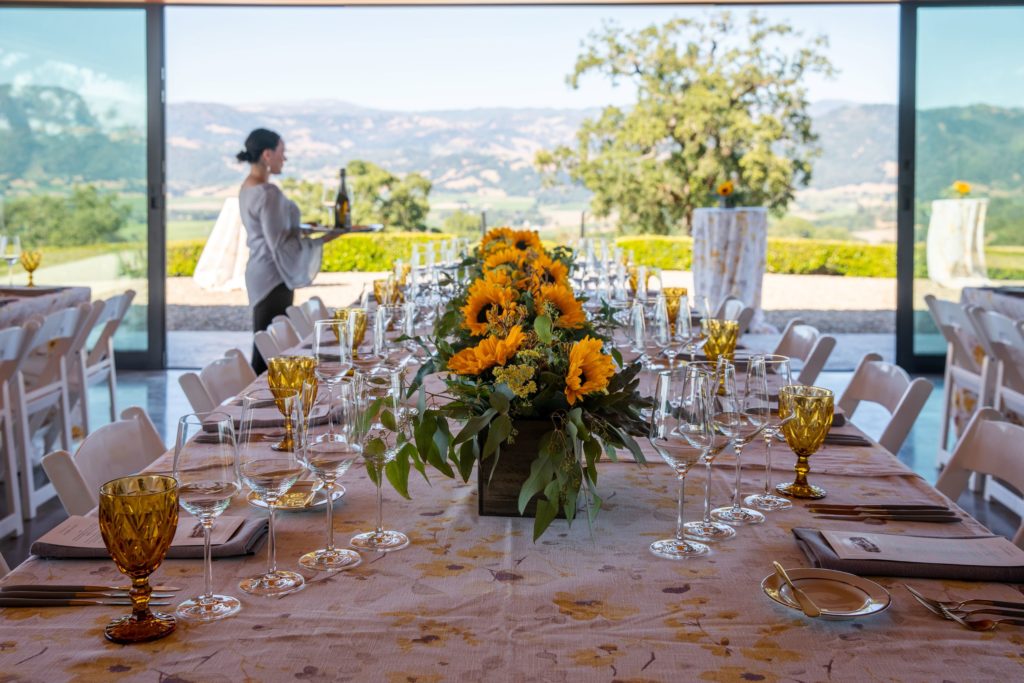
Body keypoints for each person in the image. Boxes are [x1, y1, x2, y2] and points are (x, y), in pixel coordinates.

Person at [236, 128, 341, 374]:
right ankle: (259, 405)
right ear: (267, 154)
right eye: (282, 153)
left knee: (264, 340)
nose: (285, 159)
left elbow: (273, 232)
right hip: (273, 275)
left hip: (259, 270)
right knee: (268, 352)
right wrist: (325, 238)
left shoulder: (248, 187)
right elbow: (279, 245)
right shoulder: (267, 192)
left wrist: (303, 230)